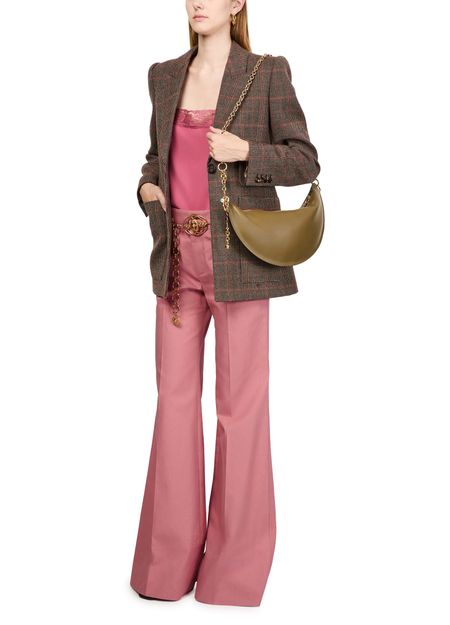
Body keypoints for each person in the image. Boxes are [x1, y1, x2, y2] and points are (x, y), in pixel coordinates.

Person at [130, 0, 320, 607]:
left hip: (240, 260)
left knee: (240, 411)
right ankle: (166, 566)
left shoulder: (266, 71)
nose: (198, 2)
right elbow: (155, 155)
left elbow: (305, 160)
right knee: (173, 407)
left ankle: (232, 573)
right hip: (177, 260)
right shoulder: (164, 74)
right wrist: (147, 187)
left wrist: (246, 153)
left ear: (237, 2)